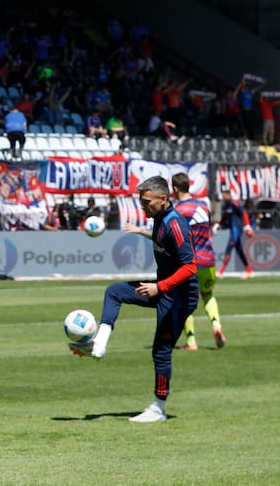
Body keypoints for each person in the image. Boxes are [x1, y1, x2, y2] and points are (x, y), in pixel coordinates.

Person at [71, 175, 198, 423]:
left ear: (163, 199)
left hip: (179, 297)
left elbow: (190, 267)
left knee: (161, 352)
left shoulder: (175, 224)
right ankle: (99, 345)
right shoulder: (161, 218)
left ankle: (159, 409)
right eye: (141, 201)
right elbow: (162, 238)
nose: (142, 206)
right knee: (114, 291)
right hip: (162, 289)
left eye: (146, 201)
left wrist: (159, 287)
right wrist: (142, 231)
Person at [123, 173, 226, 350]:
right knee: (207, 295)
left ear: (175, 189)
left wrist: (140, 231)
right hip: (208, 259)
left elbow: (165, 237)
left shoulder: (178, 212)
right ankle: (216, 324)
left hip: (187, 261)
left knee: (181, 298)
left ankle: (191, 340)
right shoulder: (203, 205)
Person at [215, 189, 255, 279]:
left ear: (228, 195)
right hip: (233, 230)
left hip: (237, 230)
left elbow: (244, 212)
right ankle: (249, 271)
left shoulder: (233, 203)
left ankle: (221, 272)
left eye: (224, 195)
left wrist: (248, 226)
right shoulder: (226, 206)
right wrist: (218, 224)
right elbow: (225, 218)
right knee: (239, 251)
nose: (223, 197)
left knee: (228, 249)